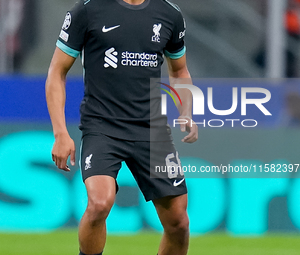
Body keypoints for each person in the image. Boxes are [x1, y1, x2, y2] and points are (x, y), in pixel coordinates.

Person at [45, 0, 198, 255]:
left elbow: (180, 71)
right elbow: (56, 72)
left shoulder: (170, 14)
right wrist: (60, 133)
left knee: (179, 223)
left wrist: (186, 112)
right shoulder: (87, 10)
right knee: (99, 203)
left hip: (152, 130)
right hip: (103, 127)